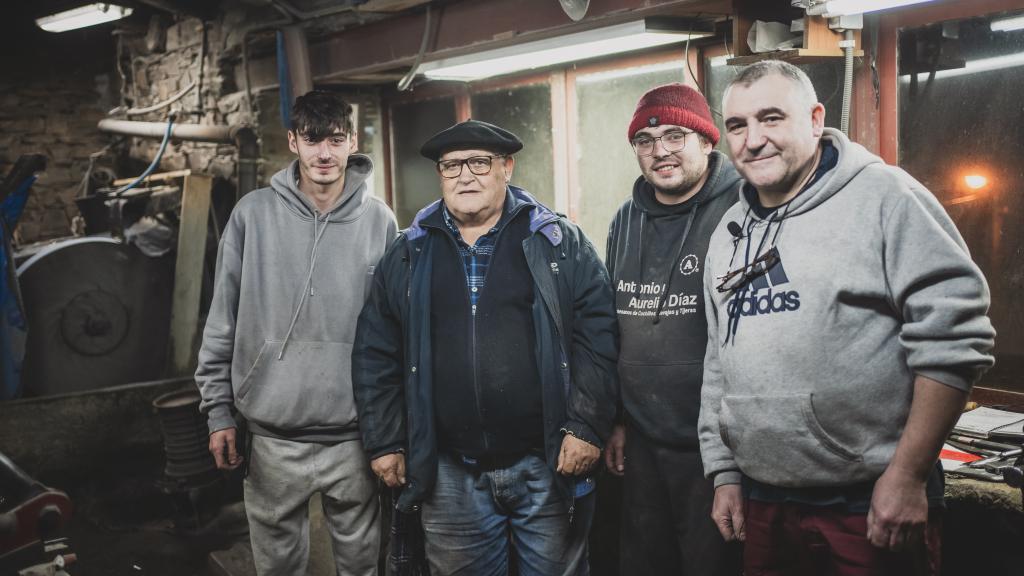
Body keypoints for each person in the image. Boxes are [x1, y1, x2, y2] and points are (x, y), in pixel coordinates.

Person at [698, 60, 996, 576]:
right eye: (737, 125)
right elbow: (718, 358)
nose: (752, 140)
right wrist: (724, 473)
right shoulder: (729, 231)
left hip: (869, 499)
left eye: (771, 118)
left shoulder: (885, 198)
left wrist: (906, 477)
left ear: (816, 119)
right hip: (765, 497)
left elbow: (956, 339)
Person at [352, 119, 618, 576]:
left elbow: (598, 334)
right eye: (452, 165)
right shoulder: (408, 252)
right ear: (440, 175)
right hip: (450, 472)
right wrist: (385, 440)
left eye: (479, 162)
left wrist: (587, 425)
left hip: (546, 462)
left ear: (507, 168)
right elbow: (376, 351)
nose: (465, 175)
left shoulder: (556, 243)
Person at [195, 90, 396, 575]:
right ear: (293, 142)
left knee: (363, 567)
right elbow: (221, 320)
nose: (324, 154)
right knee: (279, 568)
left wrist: (393, 432)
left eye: (335, 139)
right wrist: (219, 411)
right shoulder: (251, 216)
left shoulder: (381, 222)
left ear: (352, 143)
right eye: (312, 140)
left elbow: (397, 335)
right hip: (271, 439)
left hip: (354, 439)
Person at [603, 83, 741, 575]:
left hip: (717, 448)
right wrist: (617, 418)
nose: (659, 150)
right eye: (645, 139)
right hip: (641, 442)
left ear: (707, 141)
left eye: (675, 135)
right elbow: (610, 324)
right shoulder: (625, 219)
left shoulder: (742, 208)